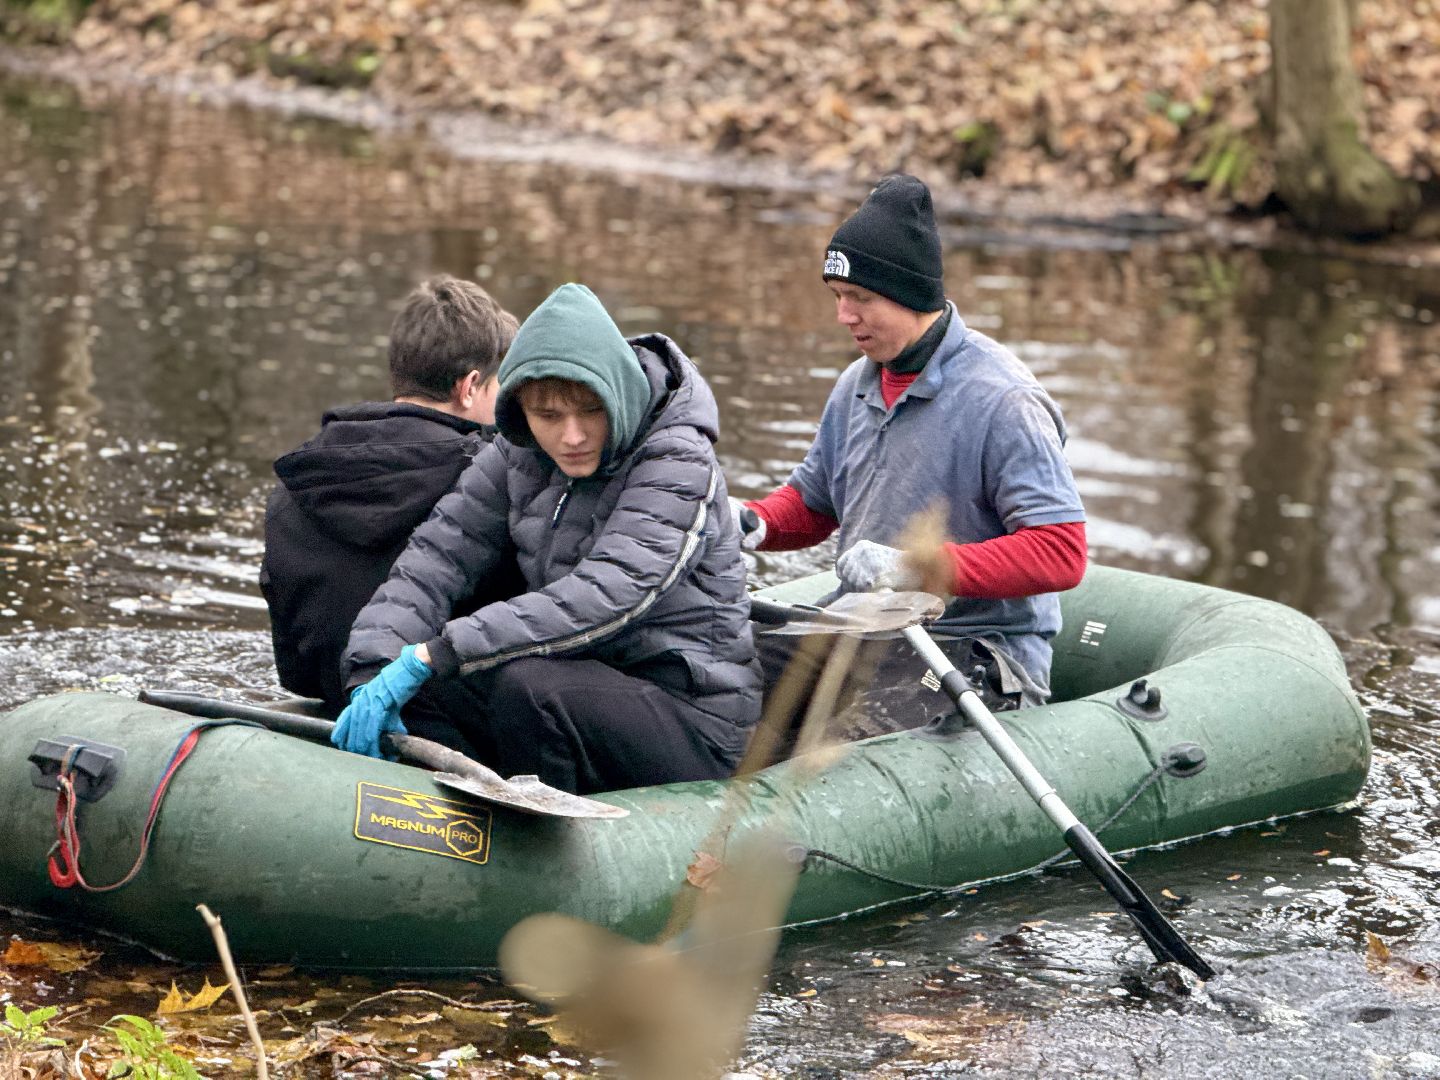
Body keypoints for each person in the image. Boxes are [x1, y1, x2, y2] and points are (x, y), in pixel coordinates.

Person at [334, 282, 761, 795]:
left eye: (590, 411)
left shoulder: (677, 458)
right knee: (425, 688)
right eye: (549, 416)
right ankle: (447, 809)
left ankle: (545, 841)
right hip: (579, 682)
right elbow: (436, 558)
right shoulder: (516, 453)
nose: (572, 436)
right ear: (521, 412)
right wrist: (375, 668)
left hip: (689, 715)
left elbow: (608, 595)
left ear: (617, 396)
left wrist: (437, 652)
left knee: (526, 687)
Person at [733, 174, 1086, 729]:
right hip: (862, 630)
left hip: (970, 647)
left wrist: (916, 567)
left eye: (860, 299)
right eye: (838, 297)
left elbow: (1062, 552)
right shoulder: (856, 384)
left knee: (848, 744)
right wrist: (752, 521)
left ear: (910, 296)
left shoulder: (1003, 401)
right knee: (716, 682)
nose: (843, 316)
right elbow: (815, 503)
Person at [260, 274, 520, 713]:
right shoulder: (492, 478)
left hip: (322, 689)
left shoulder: (299, 477)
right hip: (447, 706)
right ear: (470, 385)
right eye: (501, 388)